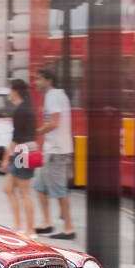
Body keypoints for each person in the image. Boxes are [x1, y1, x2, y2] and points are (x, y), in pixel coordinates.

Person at [32, 68, 75, 239]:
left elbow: (54, 123)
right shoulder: (56, 95)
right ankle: (47, 223)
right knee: (40, 186)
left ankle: (69, 228)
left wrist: (36, 132)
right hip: (52, 150)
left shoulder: (53, 96)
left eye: (39, 79)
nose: (36, 83)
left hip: (57, 151)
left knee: (59, 190)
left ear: (48, 80)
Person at [0, 78, 36, 236]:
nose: (9, 93)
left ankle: (30, 229)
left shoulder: (21, 110)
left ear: (15, 91)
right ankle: (19, 226)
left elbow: (16, 137)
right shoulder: (26, 108)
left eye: (10, 89)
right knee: (8, 189)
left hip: (23, 152)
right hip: (26, 150)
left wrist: (5, 158)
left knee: (24, 191)